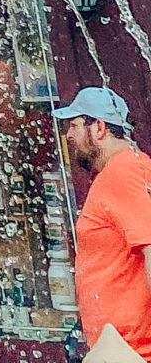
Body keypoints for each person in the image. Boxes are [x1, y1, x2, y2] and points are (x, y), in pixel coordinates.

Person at [57, 85, 151, 359]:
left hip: (130, 352)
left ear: (98, 127)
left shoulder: (123, 172)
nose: (69, 135)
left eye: (74, 125)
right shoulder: (132, 166)